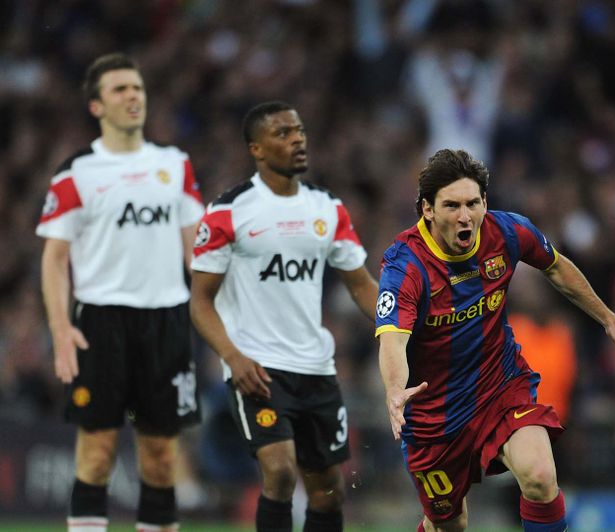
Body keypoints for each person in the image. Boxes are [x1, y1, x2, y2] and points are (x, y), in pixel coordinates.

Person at [375, 148, 615, 532]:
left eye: (473, 203)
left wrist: (609, 320)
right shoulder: (405, 265)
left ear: (485, 202)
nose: (465, 216)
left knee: (540, 476)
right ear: (427, 209)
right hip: (434, 415)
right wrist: (395, 390)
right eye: (452, 205)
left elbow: (556, 266)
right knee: (449, 523)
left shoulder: (506, 232)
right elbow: (393, 338)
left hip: (500, 387)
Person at [189, 101, 379, 532]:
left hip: (315, 368)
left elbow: (361, 284)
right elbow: (200, 301)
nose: (297, 139)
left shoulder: (328, 209)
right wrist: (232, 357)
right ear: (256, 149)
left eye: (299, 130)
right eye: (282, 133)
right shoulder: (227, 213)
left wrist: (402, 325)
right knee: (278, 471)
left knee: (327, 487)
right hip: (257, 367)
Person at [37, 52, 204, 532]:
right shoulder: (76, 173)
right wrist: (60, 327)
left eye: (138, 88)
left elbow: (197, 252)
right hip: (100, 322)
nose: (133, 96)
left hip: (167, 321)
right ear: (96, 106)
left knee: (160, 459)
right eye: (119, 89)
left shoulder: (175, 165)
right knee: (96, 453)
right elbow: (54, 258)